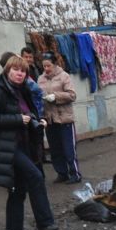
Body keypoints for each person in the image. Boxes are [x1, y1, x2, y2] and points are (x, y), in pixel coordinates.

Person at [0, 55, 57, 230]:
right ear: (7, 70)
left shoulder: (23, 89)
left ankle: (15, 229)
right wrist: (17, 119)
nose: (19, 74)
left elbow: (30, 111)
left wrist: (39, 120)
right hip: (5, 145)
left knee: (18, 186)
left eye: (23, 71)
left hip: (22, 142)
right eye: (16, 70)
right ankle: (46, 223)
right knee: (35, 177)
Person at [38, 52, 81, 183]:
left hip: (64, 119)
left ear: (55, 64)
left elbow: (72, 95)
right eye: (44, 66)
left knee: (69, 149)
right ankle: (62, 173)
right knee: (55, 149)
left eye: (48, 66)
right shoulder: (41, 79)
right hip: (49, 120)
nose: (46, 69)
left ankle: (75, 174)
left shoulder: (64, 76)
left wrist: (56, 97)